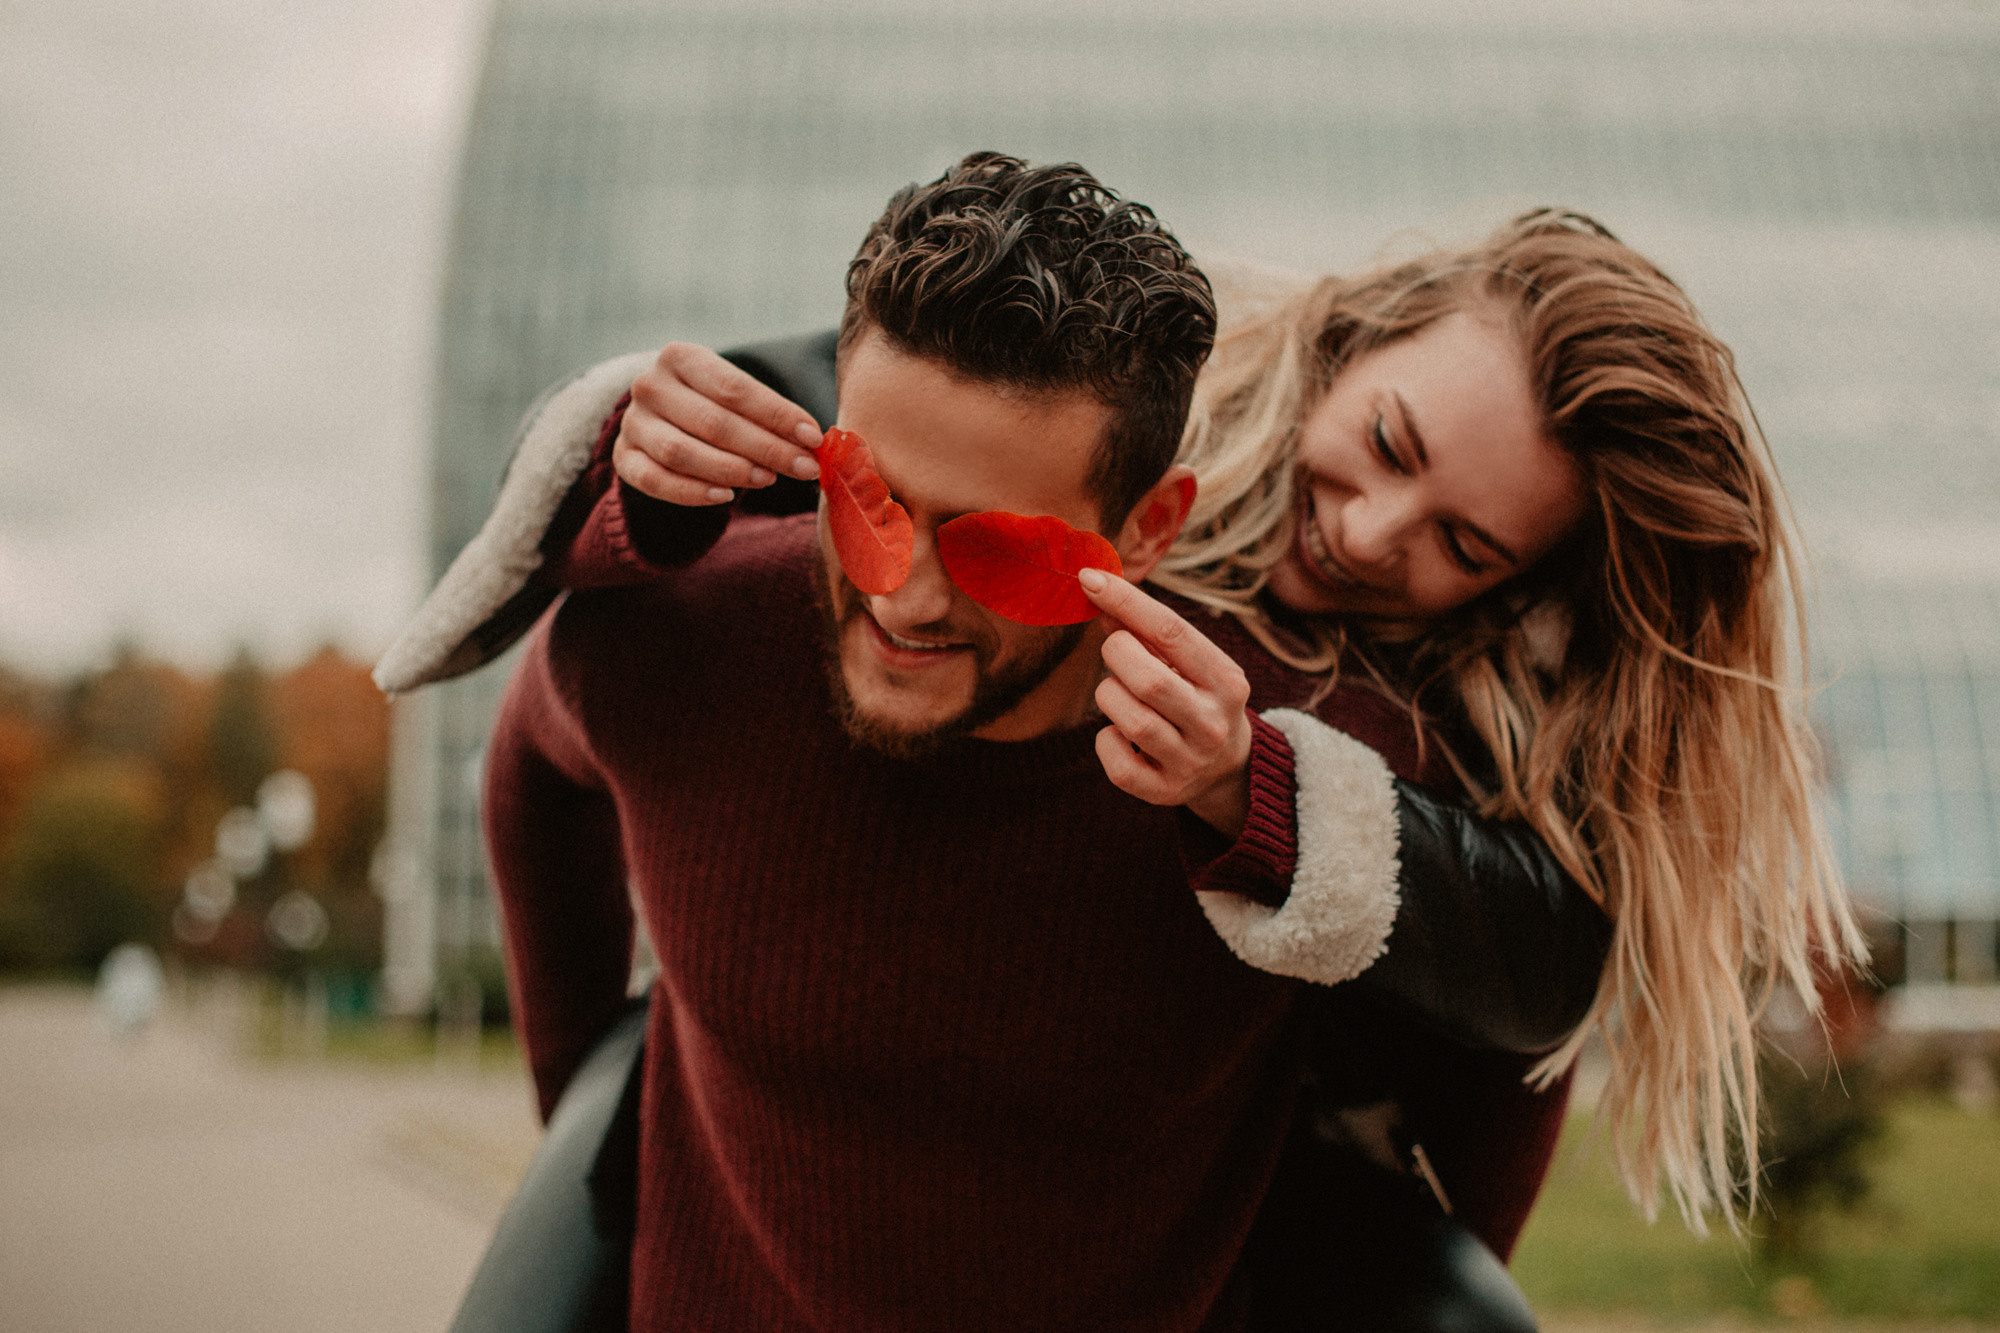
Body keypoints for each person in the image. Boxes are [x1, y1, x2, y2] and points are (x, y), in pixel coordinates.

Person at [388, 154, 1602, 1331]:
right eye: (869, 501)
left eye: (991, 545)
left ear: (1149, 529)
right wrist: (587, 1107)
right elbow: (530, 761)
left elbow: (1511, 1022)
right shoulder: (680, 633)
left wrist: (1418, 1274)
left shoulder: (1287, 770)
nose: (905, 597)